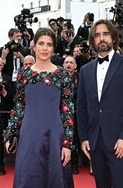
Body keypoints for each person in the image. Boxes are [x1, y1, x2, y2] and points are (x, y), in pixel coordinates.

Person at [4, 27, 74, 187]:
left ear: (53, 48)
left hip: (55, 136)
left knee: (54, 178)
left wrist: (67, 144)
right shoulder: (24, 73)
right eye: (41, 43)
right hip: (29, 135)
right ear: (33, 45)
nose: (45, 48)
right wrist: (10, 134)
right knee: (28, 177)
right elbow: (19, 106)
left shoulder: (62, 74)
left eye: (49, 44)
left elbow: (68, 112)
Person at [77, 19, 123, 188]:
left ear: (113, 37)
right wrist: (84, 137)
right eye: (97, 35)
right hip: (95, 141)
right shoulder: (85, 70)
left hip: (120, 141)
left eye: (106, 34)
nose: (102, 38)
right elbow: (82, 107)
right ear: (92, 40)